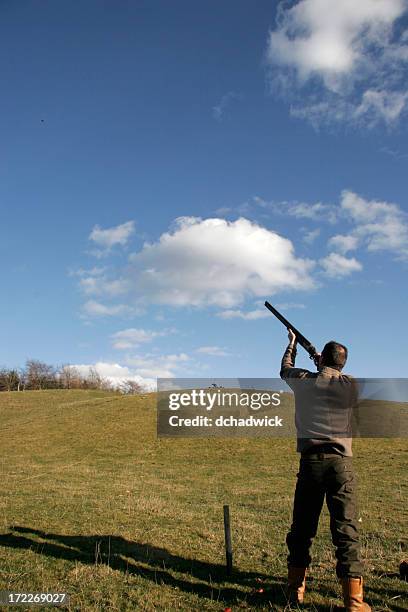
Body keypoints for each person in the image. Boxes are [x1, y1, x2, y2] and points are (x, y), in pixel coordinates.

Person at [280, 329, 370, 612]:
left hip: (310, 464)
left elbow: (285, 370)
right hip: (341, 466)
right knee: (346, 532)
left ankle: (295, 591)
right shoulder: (351, 385)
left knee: (302, 529)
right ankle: (354, 603)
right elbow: (337, 376)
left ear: (321, 360)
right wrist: (325, 365)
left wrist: (292, 345)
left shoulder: (305, 381)